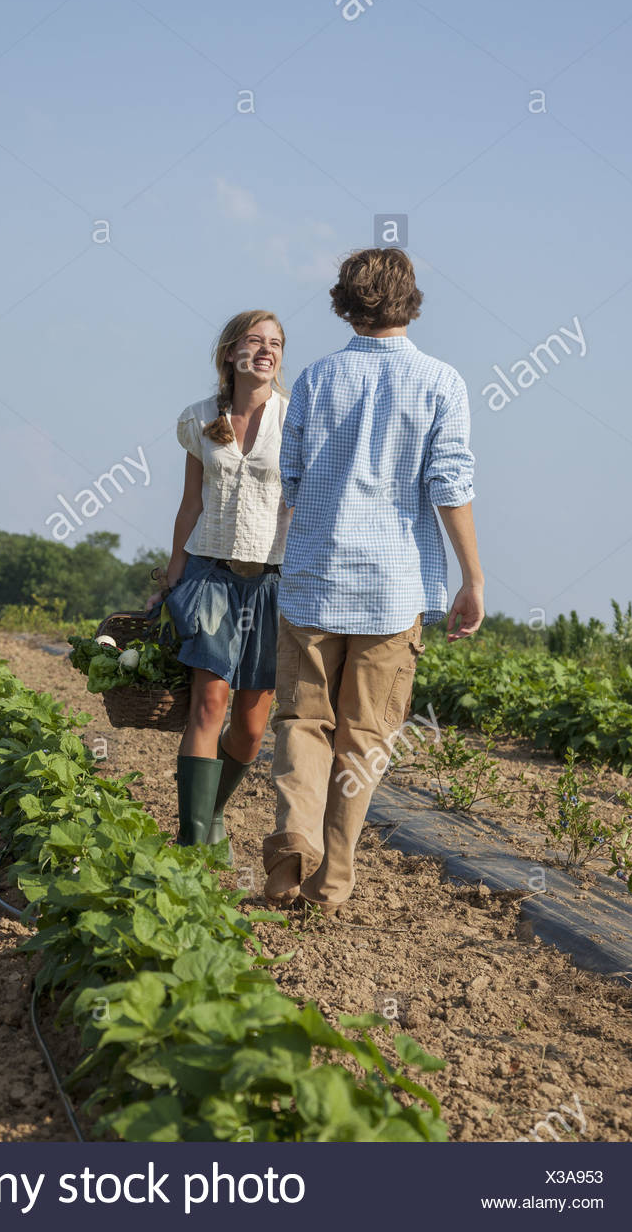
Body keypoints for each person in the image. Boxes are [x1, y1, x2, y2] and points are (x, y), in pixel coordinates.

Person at [262, 247, 484, 916]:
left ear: (345, 301)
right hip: (393, 589)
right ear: (410, 300)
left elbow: (291, 479)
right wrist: (471, 576)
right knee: (363, 739)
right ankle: (330, 884)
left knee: (302, 722)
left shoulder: (316, 378)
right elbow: (449, 484)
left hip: (313, 579)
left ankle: (290, 853)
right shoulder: (441, 381)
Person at [146, 311, 292, 857]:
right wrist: (172, 578)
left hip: (272, 584)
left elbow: (305, 504)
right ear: (230, 352)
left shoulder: (295, 419)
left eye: (275, 342)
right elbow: (190, 504)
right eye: (255, 340)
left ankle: (211, 813)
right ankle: (189, 848)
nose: (266, 350)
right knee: (209, 704)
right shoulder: (199, 418)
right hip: (210, 575)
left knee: (251, 729)